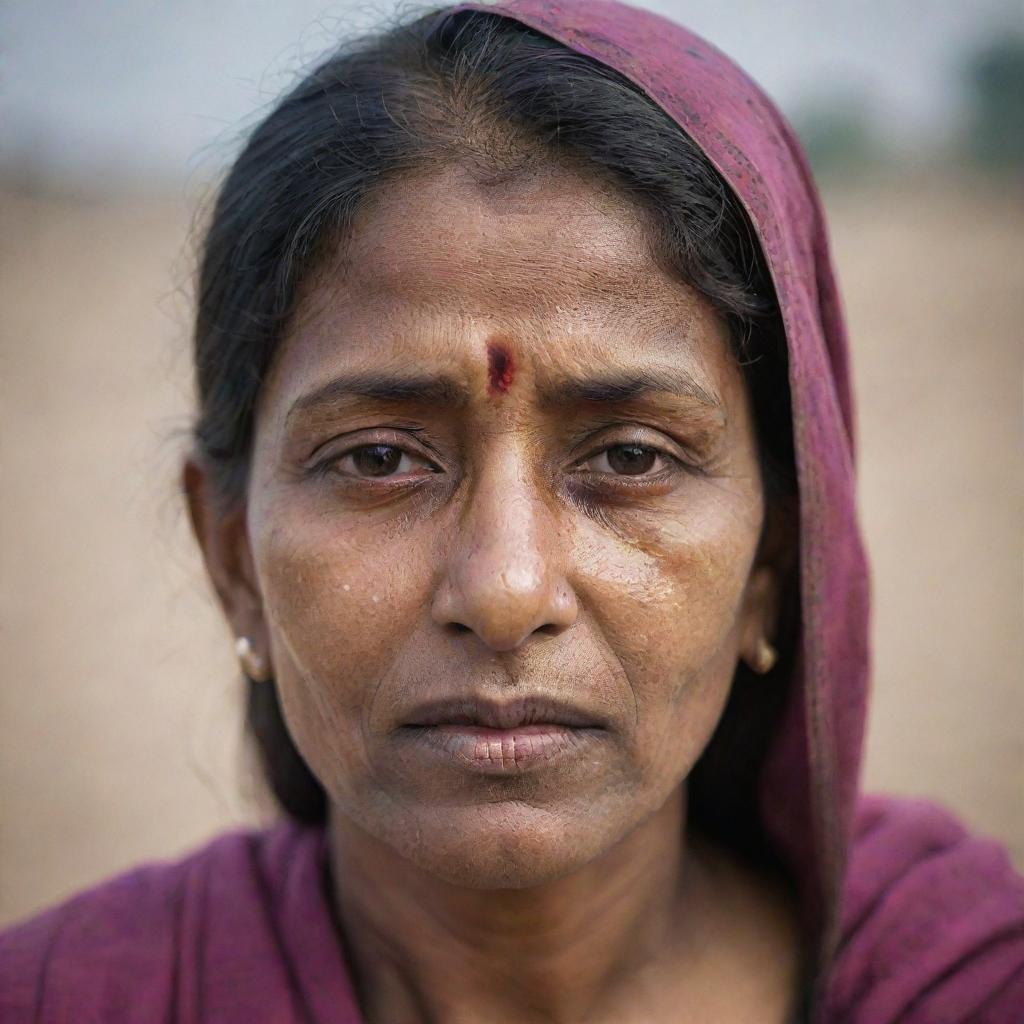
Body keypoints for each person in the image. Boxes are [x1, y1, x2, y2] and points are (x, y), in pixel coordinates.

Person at [2, 1, 1022, 1021]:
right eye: (379, 457)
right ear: (231, 555)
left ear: (774, 564)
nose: (503, 589)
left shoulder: (965, 985)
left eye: (630, 456)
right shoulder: (71, 997)